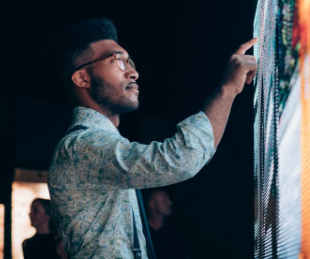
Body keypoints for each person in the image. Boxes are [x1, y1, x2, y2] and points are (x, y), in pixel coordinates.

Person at [45, 18, 257, 258]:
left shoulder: (98, 144)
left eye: (130, 62)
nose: (134, 72)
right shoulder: (80, 146)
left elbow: (187, 159)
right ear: (82, 78)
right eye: (118, 61)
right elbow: (181, 159)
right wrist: (228, 89)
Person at [145, 189, 188, 258]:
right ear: (152, 204)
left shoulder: (175, 232)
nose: (170, 203)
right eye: (164, 200)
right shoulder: (142, 233)